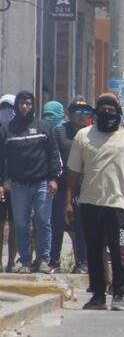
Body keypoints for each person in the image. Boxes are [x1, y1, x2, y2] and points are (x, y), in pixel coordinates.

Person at [64, 93, 124, 311]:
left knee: (118, 249)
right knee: (93, 251)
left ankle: (118, 293)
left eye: (111, 110)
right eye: (103, 110)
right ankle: (98, 295)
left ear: (118, 113)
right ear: (96, 112)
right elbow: (73, 172)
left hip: (118, 205)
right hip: (89, 203)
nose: (107, 113)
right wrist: (68, 202)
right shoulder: (84, 136)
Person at [0, 91, 62, 273]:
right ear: (17, 105)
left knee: (43, 221)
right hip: (18, 185)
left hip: (42, 183)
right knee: (21, 224)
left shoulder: (43, 127)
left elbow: (53, 154)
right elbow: (1, 158)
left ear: (33, 105)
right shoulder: (7, 130)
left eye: (28, 103)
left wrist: (53, 178)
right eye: (22, 103)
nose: (25, 107)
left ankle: (43, 259)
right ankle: (25, 260)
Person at [50, 100, 91, 273]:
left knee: (82, 224)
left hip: (84, 185)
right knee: (58, 223)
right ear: (69, 114)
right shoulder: (59, 132)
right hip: (62, 184)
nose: (82, 115)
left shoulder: (92, 132)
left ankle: (82, 262)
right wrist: (53, 178)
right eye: (78, 111)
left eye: (85, 112)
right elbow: (54, 157)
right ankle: (53, 261)